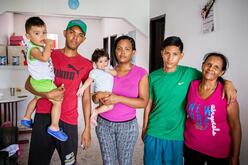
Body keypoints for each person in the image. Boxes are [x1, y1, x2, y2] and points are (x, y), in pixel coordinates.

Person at [142, 36, 237, 165]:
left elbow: (211, 75)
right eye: (167, 53)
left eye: (175, 54)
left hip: (176, 134)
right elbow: (149, 104)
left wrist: (228, 83)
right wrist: (144, 127)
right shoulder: (152, 76)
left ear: (181, 55)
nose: (170, 58)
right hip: (154, 130)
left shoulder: (189, 74)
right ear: (162, 53)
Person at [25, 19, 93, 165]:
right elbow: (28, 84)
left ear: (84, 39)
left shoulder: (86, 64)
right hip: (43, 116)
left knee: (69, 163)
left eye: (80, 35)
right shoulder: (48, 55)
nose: (75, 37)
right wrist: (47, 95)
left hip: (69, 121)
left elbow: (86, 98)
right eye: (71, 32)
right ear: (64, 33)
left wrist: (87, 128)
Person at [93, 35, 149, 164]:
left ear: (133, 52)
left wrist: (118, 98)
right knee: (108, 162)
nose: (122, 52)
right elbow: (95, 98)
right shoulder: (107, 70)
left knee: (125, 161)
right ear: (114, 51)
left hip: (127, 126)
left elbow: (143, 102)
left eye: (127, 49)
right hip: (104, 124)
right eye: (119, 49)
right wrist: (96, 97)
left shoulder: (141, 73)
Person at [183, 52, 241, 165]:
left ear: (221, 72)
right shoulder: (191, 85)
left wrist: (235, 156)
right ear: (203, 65)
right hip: (191, 146)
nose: (210, 69)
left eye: (216, 67)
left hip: (218, 151)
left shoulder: (227, 93)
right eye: (208, 64)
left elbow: (235, 126)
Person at [20, 16, 68, 141]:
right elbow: (44, 58)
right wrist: (49, 44)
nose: (42, 36)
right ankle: (54, 127)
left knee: (36, 98)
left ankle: (26, 117)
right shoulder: (34, 49)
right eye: (37, 33)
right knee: (58, 100)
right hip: (42, 82)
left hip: (37, 80)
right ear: (28, 36)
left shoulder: (37, 47)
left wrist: (46, 47)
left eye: (44, 33)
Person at [77, 48, 117, 126]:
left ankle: (94, 116)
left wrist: (108, 70)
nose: (104, 64)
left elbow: (115, 73)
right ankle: (96, 111)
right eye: (100, 62)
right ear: (95, 63)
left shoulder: (110, 68)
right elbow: (88, 81)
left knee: (106, 106)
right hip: (100, 92)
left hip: (108, 93)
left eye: (106, 61)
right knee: (110, 106)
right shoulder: (95, 72)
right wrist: (82, 88)